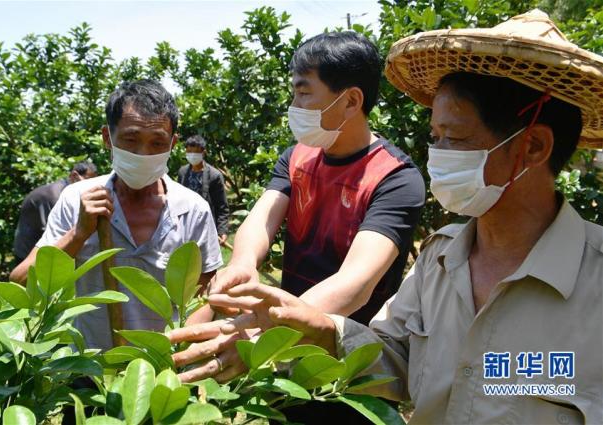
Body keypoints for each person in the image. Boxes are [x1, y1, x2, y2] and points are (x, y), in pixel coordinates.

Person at [169, 10, 603, 424]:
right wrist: (315, 329)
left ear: (533, 148)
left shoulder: (593, 282)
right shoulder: (439, 262)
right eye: (435, 136)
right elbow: (394, 358)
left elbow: (357, 284)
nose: (437, 155)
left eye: (455, 138)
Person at [173, 31, 425, 422]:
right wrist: (242, 263)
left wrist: (263, 335)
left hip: (348, 363)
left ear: (352, 101)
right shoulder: (298, 158)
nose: (294, 105)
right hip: (286, 353)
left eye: (304, 92)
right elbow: (262, 218)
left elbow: (355, 285)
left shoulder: (394, 178)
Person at [10, 79, 223, 350]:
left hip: (165, 372)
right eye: (131, 140)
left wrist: (173, 353)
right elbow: (20, 283)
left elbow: (207, 295)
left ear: (173, 143)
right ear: (107, 138)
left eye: (157, 142)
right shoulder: (76, 199)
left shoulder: (192, 210)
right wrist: (78, 234)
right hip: (88, 373)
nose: (142, 153)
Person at [13, 160, 97, 263]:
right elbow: (55, 233)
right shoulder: (56, 196)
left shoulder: (63, 191)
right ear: (74, 175)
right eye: (88, 181)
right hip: (29, 254)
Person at [177, 135, 230, 246]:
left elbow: (221, 206)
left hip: (207, 226)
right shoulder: (182, 173)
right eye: (189, 152)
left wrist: (222, 230)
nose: (192, 156)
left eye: (195, 153)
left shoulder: (214, 176)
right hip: (186, 226)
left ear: (203, 153)